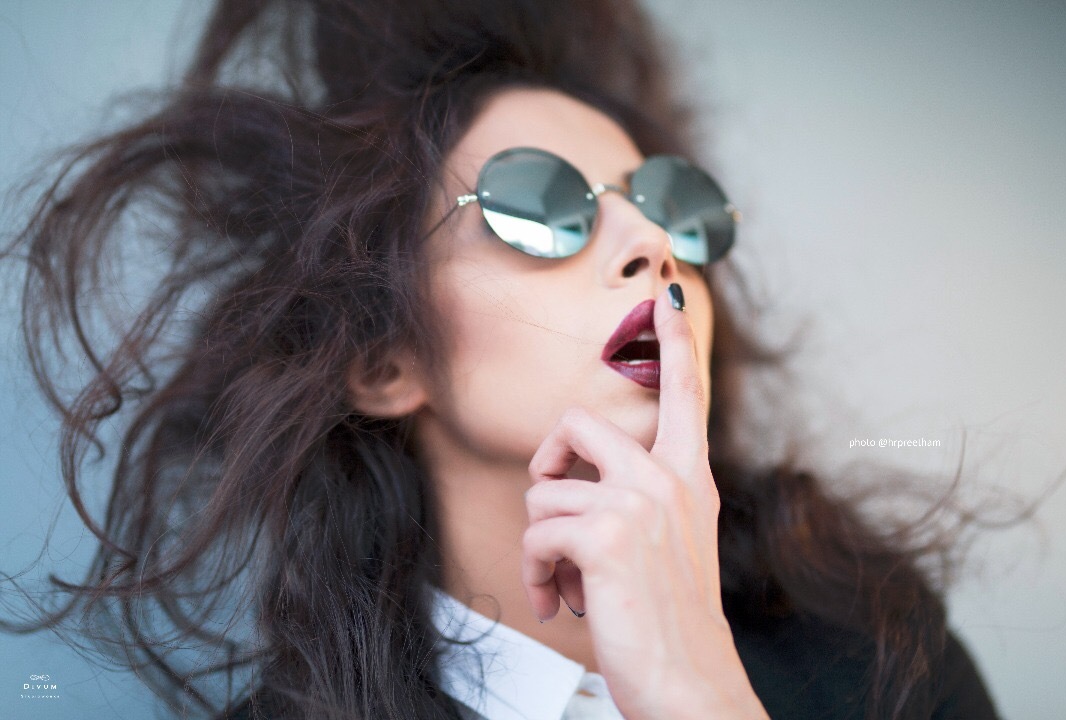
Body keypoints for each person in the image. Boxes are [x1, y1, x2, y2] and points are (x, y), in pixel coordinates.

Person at [2, 0, 1001, 718]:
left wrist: (699, 691)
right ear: (384, 361)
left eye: (672, 207)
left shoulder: (883, 651)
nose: (650, 245)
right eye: (542, 207)